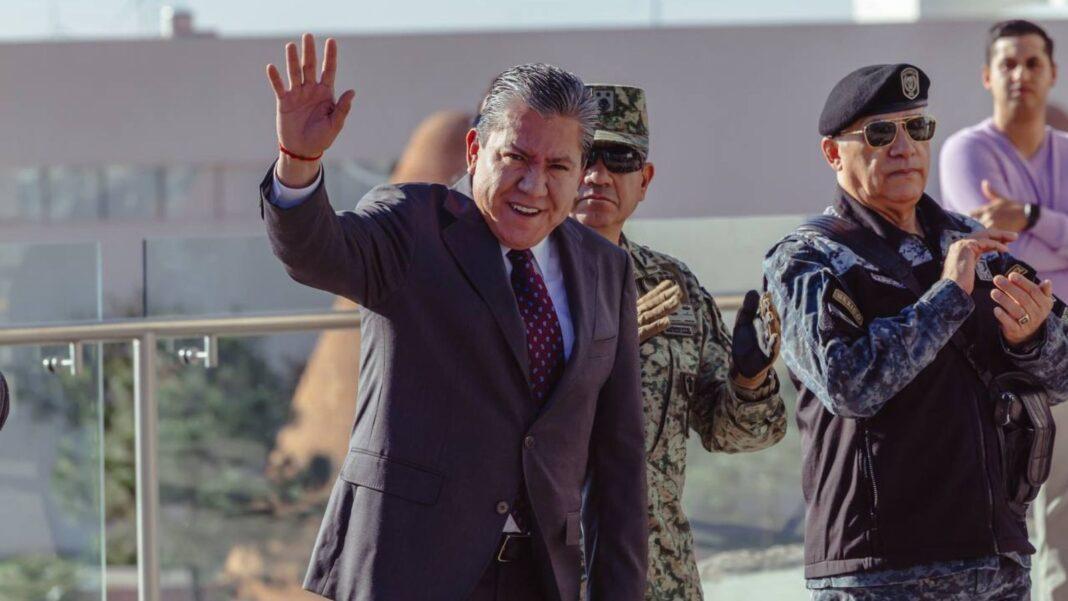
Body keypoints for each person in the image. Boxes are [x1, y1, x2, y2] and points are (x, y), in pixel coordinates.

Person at [260, 35, 647, 601]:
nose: (534, 185)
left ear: (578, 171)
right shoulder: (412, 225)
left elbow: (619, 463)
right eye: (516, 158)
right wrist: (298, 163)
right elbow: (317, 251)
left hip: (541, 578)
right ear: (474, 150)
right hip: (409, 570)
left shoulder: (604, 268)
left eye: (557, 166)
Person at [764, 63, 1068, 600]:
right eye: (880, 133)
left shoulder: (970, 240)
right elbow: (847, 385)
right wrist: (948, 295)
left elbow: (1061, 375)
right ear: (833, 153)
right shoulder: (807, 259)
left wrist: (1032, 339)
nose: (904, 148)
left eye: (917, 128)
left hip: (994, 561)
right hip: (879, 569)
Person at [572, 84, 786, 601]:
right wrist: (609, 346)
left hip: (659, 574)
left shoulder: (673, 283)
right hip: (553, 569)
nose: (598, 176)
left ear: (644, 180)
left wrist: (749, 379)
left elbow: (731, 435)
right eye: (583, 158)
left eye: (620, 160)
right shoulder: (524, 278)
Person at [940, 20, 1068, 300]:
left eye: (1033, 64)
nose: (1021, 74)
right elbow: (1004, 256)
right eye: (1008, 65)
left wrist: (1030, 217)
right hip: (1001, 324)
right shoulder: (965, 150)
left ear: (1053, 73)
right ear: (987, 76)